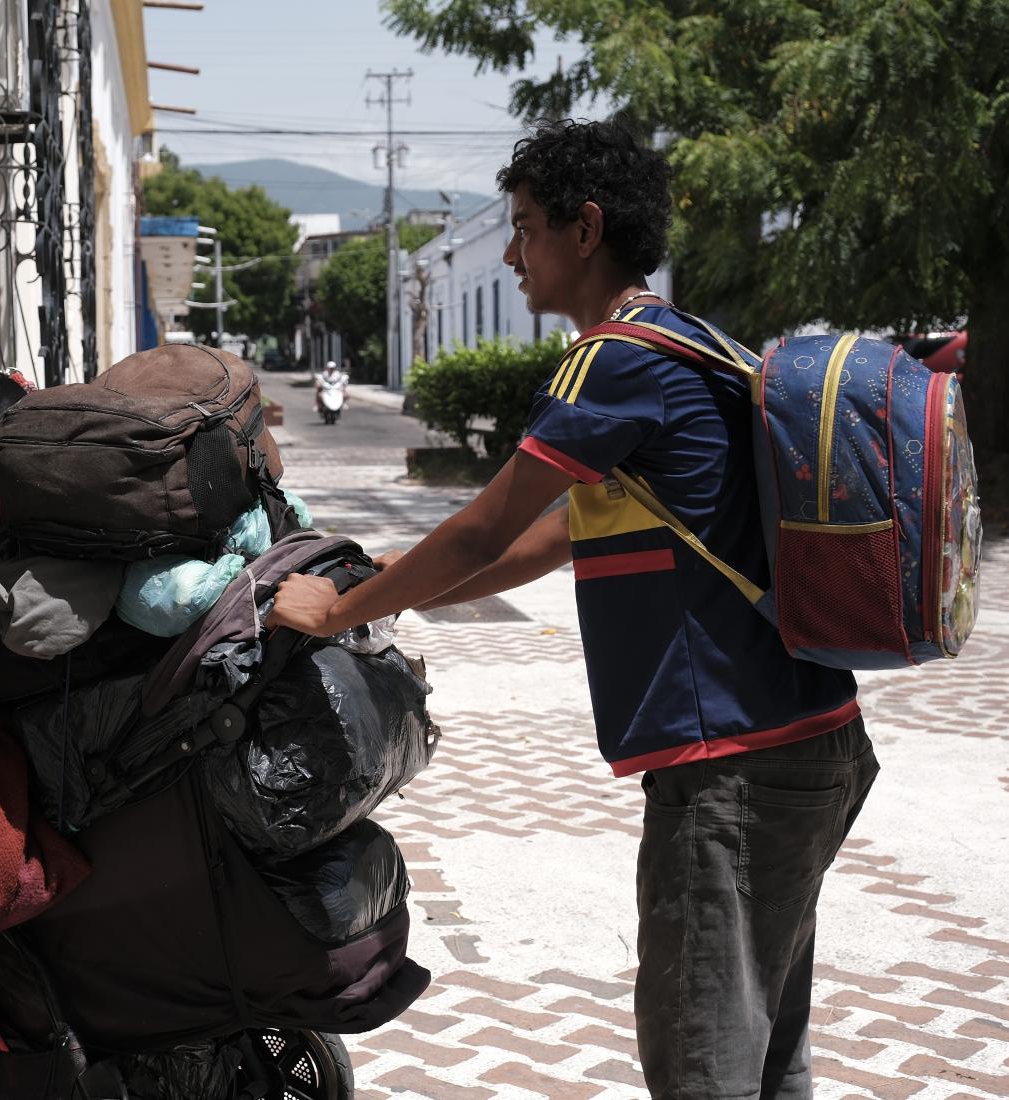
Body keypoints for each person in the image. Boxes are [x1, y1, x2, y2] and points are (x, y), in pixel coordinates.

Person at [269, 119, 878, 1099]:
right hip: (810, 740)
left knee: (705, 1062)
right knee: (766, 1054)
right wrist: (383, 581)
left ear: (584, 228)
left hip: (732, 762)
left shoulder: (613, 361)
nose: (510, 251)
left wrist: (334, 614)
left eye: (523, 227)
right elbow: (550, 539)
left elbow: (481, 527)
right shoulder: (692, 343)